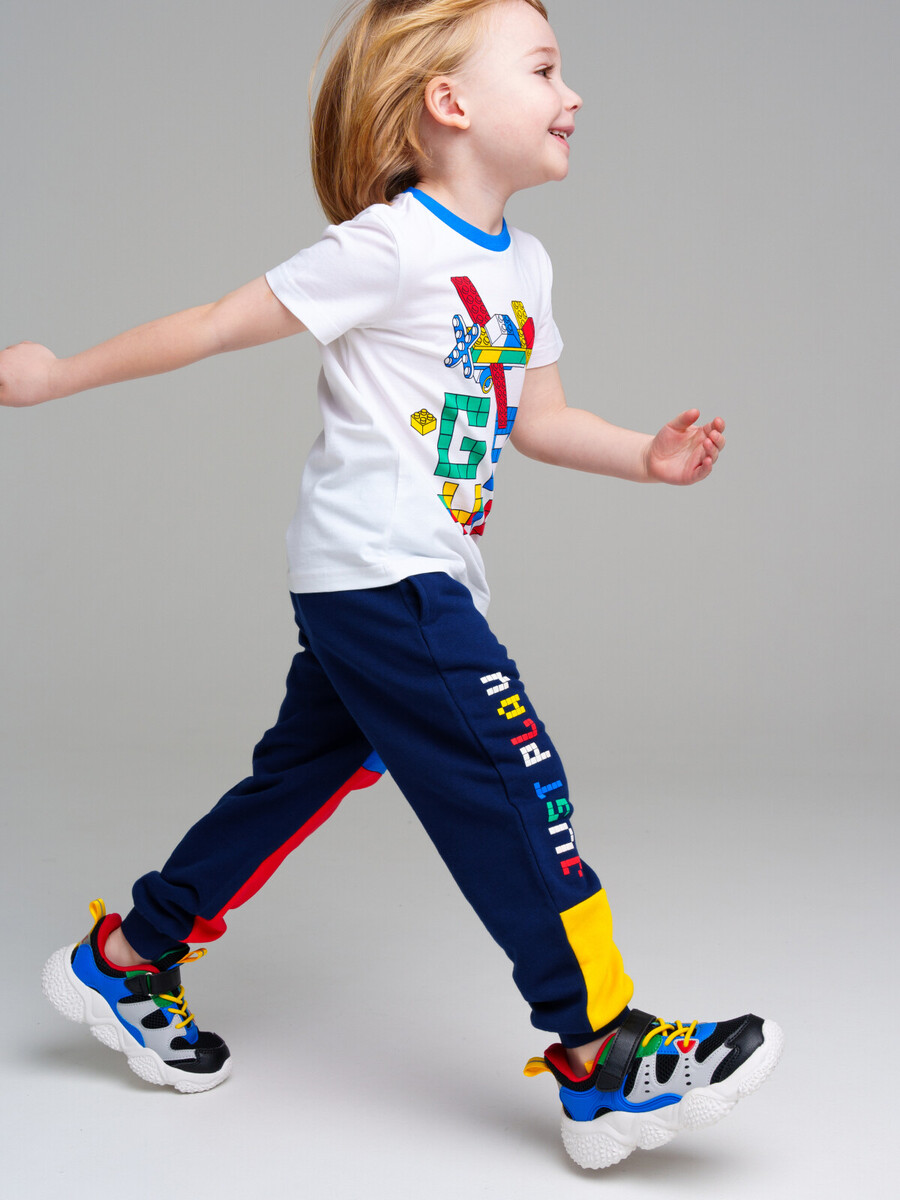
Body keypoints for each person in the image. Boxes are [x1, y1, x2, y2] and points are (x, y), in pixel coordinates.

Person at [1, 0, 781, 1171]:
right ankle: (601, 1055)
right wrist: (56, 375)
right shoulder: (389, 244)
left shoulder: (524, 263)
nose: (573, 94)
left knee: (304, 776)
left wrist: (645, 458)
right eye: (544, 68)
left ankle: (128, 960)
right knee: (518, 780)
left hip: (401, 575)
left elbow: (541, 419)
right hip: (383, 571)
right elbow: (215, 324)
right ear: (450, 103)